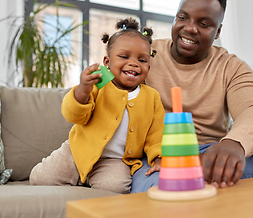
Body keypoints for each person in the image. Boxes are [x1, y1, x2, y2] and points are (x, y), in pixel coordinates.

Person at [130, 0, 253, 193]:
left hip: (212, 153)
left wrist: (234, 143)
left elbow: (252, 110)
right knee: (161, 192)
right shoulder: (144, 54)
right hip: (158, 156)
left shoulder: (231, 66)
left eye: (204, 23)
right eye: (183, 17)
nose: (189, 27)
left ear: (218, 32)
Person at [29, 18, 165, 194]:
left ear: (149, 66)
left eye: (142, 60)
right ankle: (81, 177)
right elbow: (74, 115)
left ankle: (88, 180)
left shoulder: (151, 97)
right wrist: (83, 89)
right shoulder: (98, 84)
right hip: (78, 151)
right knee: (40, 178)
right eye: (124, 56)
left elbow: (157, 134)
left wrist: (160, 158)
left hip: (114, 160)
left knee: (115, 188)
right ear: (107, 62)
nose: (134, 63)